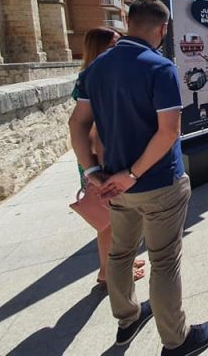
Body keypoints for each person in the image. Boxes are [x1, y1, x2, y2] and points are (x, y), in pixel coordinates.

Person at [69, 0, 208, 356]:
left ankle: (127, 319)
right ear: (162, 29)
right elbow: (169, 131)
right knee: (164, 260)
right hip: (158, 183)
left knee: (121, 253)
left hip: (112, 185)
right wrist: (133, 174)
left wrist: (93, 172)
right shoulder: (159, 67)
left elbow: (77, 123)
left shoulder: (96, 68)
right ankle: (177, 339)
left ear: (127, 21)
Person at [73, 27, 146, 288]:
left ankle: (121, 262)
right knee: (107, 223)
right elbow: (84, 127)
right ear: (99, 48)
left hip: (109, 157)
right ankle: (107, 273)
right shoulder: (90, 79)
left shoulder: (106, 76)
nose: (119, 49)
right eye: (114, 44)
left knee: (120, 218)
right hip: (98, 161)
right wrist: (93, 168)